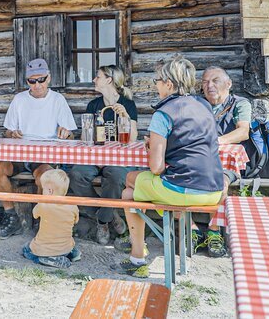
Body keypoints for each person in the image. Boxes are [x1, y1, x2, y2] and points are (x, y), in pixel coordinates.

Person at [118, 56, 224, 278]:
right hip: (215, 189)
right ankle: (141, 247)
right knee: (134, 192)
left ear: (168, 83)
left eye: (157, 80)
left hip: (184, 190)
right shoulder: (204, 105)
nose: (155, 85)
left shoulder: (163, 113)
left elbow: (156, 168)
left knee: (129, 184)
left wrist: (153, 147)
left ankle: (138, 256)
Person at [0, 58, 77, 239]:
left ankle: (41, 219)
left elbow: (71, 136)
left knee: (46, 177)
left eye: (41, 80)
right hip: (19, 154)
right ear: (27, 81)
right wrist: (12, 134)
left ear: (49, 78)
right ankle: (11, 217)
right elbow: (7, 131)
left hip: (43, 156)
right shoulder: (19, 99)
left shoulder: (58, 100)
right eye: (32, 81)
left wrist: (66, 133)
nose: (37, 85)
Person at [65, 65, 138, 245]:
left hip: (117, 160)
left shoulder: (127, 104)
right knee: (76, 174)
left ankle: (102, 222)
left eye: (97, 76)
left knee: (117, 177)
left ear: (109, 80)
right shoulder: (94, 105)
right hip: (94, 158)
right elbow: (85, 138)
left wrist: (125, 117)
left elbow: (133, 139)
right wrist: (87, 132)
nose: (94, 80)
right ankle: (109, 214)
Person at [198, 65, 250, 257]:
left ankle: (213, 231)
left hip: (228, 164)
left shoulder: (240, 104)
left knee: (220, 182)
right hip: (199, 160)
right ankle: (193, 229)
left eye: (215, 81)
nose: (209, 85)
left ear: (228, 84)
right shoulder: (198, 104)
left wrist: (217, 141)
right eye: (205, 82)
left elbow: (243, 131)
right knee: (172, 175)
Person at [21, 169, 81, 269]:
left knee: (27, 250)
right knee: (67, 241)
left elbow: (35, 214)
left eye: (43, 189)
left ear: (50, 191)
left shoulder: (43, 205)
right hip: (66, 247)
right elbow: (76, 220)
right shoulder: (73, 205)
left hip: (45, 249)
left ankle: (49, 259)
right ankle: (72, 254)